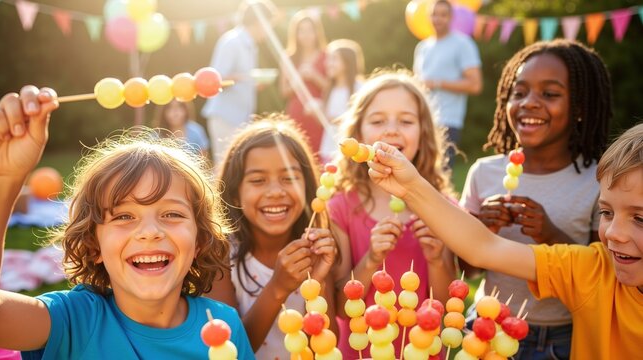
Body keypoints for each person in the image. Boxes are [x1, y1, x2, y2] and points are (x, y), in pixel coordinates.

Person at [0, 87, 253, 359]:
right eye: (124, 216)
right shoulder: (73, 321)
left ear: (200, 240)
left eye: (172, 214)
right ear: (93, 243)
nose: (149, 232)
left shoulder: (223, 326)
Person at [366, 122, 643, 360]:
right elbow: (484, 247)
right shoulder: (594, 269)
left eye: (640, 218)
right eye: (607, 212)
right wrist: (411, 187)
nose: (612, 233)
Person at [460, 39, 612, 359]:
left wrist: (550, 235)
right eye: (519, 92)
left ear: (581, 107)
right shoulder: (483, 172)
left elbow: (600, 275)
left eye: (550, 94)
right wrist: (480, 231)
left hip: (562, 336)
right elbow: (467, 268)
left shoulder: (600, 180)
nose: (529, 102)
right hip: (489, 329)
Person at [329, 70, 457, 358]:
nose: (391, 130)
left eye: (406, 121)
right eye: (377, 121)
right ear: (358, 133)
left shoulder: (443, 207)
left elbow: (449, 311)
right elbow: (340, 307)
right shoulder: (340, 208)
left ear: (423, 133)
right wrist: (372, 258)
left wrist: (436, 259)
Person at [206, 116, 338, 358]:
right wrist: (278, 287)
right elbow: (232, 348)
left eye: (289, 178)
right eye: (258, 180)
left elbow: (326, 344)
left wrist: (317, 282)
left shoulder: (314, 252)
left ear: (308, 188)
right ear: (234, 194)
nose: (276, 192)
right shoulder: (220, 255)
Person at [202, 0, 277, 166]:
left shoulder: (250, 45)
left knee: (238, 167)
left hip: (240, 119)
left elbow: (241, 80)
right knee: (225, 168)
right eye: (268, 24)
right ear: (259, 21)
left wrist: (253, 84)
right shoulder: (232, 42)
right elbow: (215, 80)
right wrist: (244, 78)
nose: (269, 30)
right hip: (225, 117)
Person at [412, 0, 482, 164]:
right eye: (434, 14)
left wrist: (437, 83)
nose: (438, 19)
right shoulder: (422, 47)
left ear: (451, 18)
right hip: (420, 119)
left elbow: (475, 85)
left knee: (441, 175)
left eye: (443, 15)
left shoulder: (463, 44)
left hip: (447, 121)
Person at [279, 10, 330, 153]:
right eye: (301, 30)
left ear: (317, 32)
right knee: (297, 152)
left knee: (321, 154)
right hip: (296, 114)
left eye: (310, 30)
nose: (306, 35)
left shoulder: (327, 55)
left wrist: (314, 76)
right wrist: (299, 79)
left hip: (320, 115)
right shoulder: (288, 57)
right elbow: (284, 92)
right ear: (295, 34)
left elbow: (333, 89)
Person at [318, 38, 365, 163]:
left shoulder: (359, 87)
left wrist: (323, 115)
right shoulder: (330, 89)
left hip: (351, 151)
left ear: (347, 62)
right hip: (328, 149)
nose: (328, 63)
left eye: (334, 59)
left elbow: (358, 118)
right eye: (328, 59)